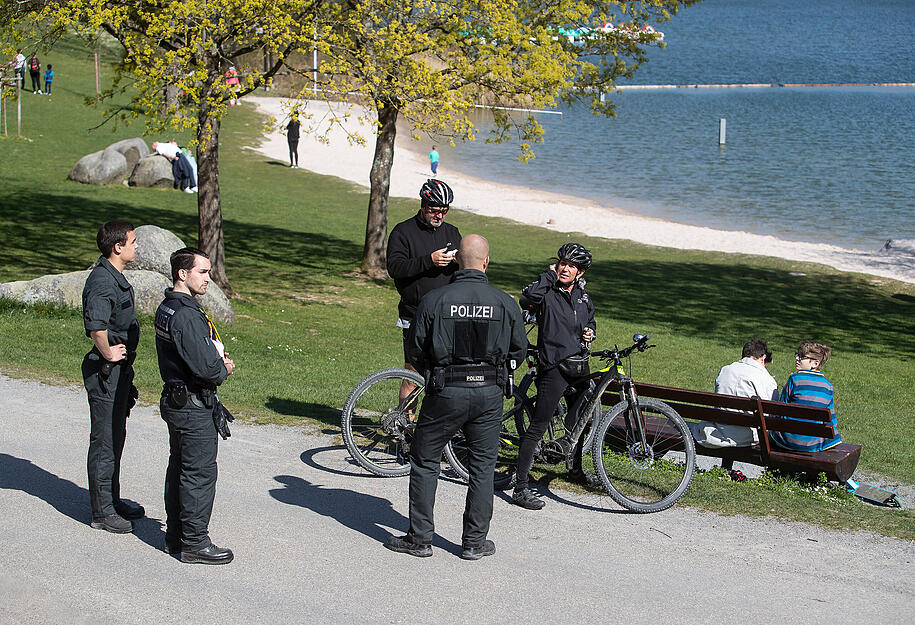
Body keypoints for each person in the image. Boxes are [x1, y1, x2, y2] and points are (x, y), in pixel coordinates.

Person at [384, 234, 527, 560]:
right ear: (486, 262)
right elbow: (519, 351)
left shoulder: (435, 299)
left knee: (425, 461)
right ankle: (474, 542)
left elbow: (417, 351)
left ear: (458, 262)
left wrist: (438, 370)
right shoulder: (505, 302)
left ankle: (420, 539)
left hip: (445, 391)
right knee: (482, 467)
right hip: (489, 394)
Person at [155, 247, 236, 564]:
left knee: (180, 469)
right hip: (191, 403)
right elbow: (207, 370)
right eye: (202, 272)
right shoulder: (187, 316)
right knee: (198, 474)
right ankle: (194, 543)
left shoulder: (169, 307)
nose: (208, 278)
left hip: (177, 399)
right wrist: (223, 368)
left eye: (209, 271)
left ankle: (176, 536)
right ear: (182, 273)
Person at [512, 242, 596, 511]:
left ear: (580, 272)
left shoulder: (582, 297)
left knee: (581, 420)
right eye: (562, 263)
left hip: (578, 366)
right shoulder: (547, 292)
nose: (565, 268)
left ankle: (574, 470)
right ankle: (521, 487)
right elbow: (526, 298)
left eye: (571, 265)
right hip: (554, 368)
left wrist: (590, 332)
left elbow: (590, 319)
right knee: (538, 426)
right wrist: (548, 276)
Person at [81, 220, 144, 534]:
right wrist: (107, 352)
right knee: (104, 439)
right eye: (132, 242)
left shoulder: (114, 276)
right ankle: (102, 512)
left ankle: (111, 498)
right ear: (117, 247)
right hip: (106, 372)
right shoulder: (103, 282)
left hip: (120, 372)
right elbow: (97, 327)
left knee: (116, 435)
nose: (136, 247)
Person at [387, 179, 462, 406]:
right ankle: (405, 428)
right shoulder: (403, 232)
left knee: (446, 375)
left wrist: (462, 262)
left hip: (446, 315)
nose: (439, 216)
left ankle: (434, 430)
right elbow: (395, 268)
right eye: (434, 210)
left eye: (444, 211)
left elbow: (465, 269)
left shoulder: (452, 232)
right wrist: (428, 261)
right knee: (413, 375)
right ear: (423, 205)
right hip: (415, 314)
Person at [689, 338, 778, 448]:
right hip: (749, 437)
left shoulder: (725, 370)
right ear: (763, 358)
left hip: (718, 432)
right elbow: (771, 414)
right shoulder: (766, 379)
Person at [770, 341, 841, 452]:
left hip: (787, 441)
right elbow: (832, 421)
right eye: (797, 355)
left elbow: (781, 409)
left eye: (802, 357)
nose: (797, 358)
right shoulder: (828, 386)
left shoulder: (794, 379)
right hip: (813, 445)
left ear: (815, 363)